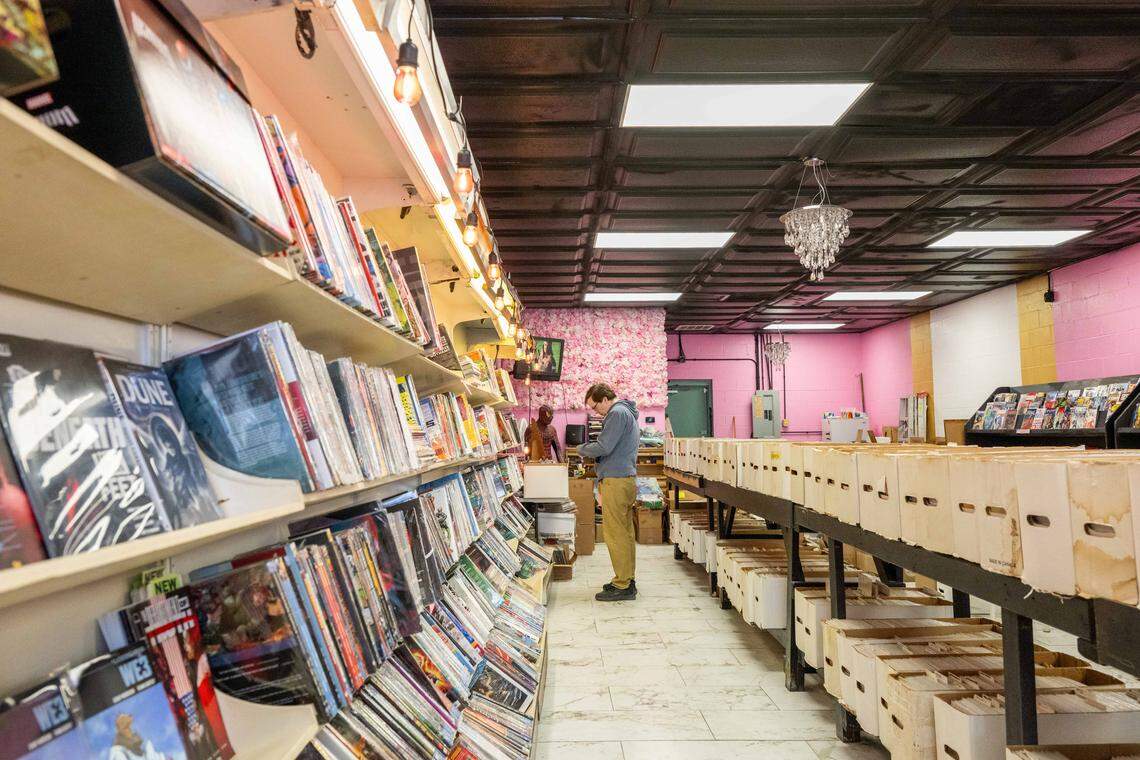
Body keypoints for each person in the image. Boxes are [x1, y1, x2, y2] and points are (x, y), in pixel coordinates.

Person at [578, 383, 640, 601]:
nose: (596, 412)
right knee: (624, 532)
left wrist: (581, 448)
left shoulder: (616, 413)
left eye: (595, 407)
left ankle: (622, 584)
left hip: (616, 480)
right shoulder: (626, 412)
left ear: (605, 399)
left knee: (615, 534)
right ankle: (626, 579)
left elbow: (604, 447)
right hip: (624, 479)